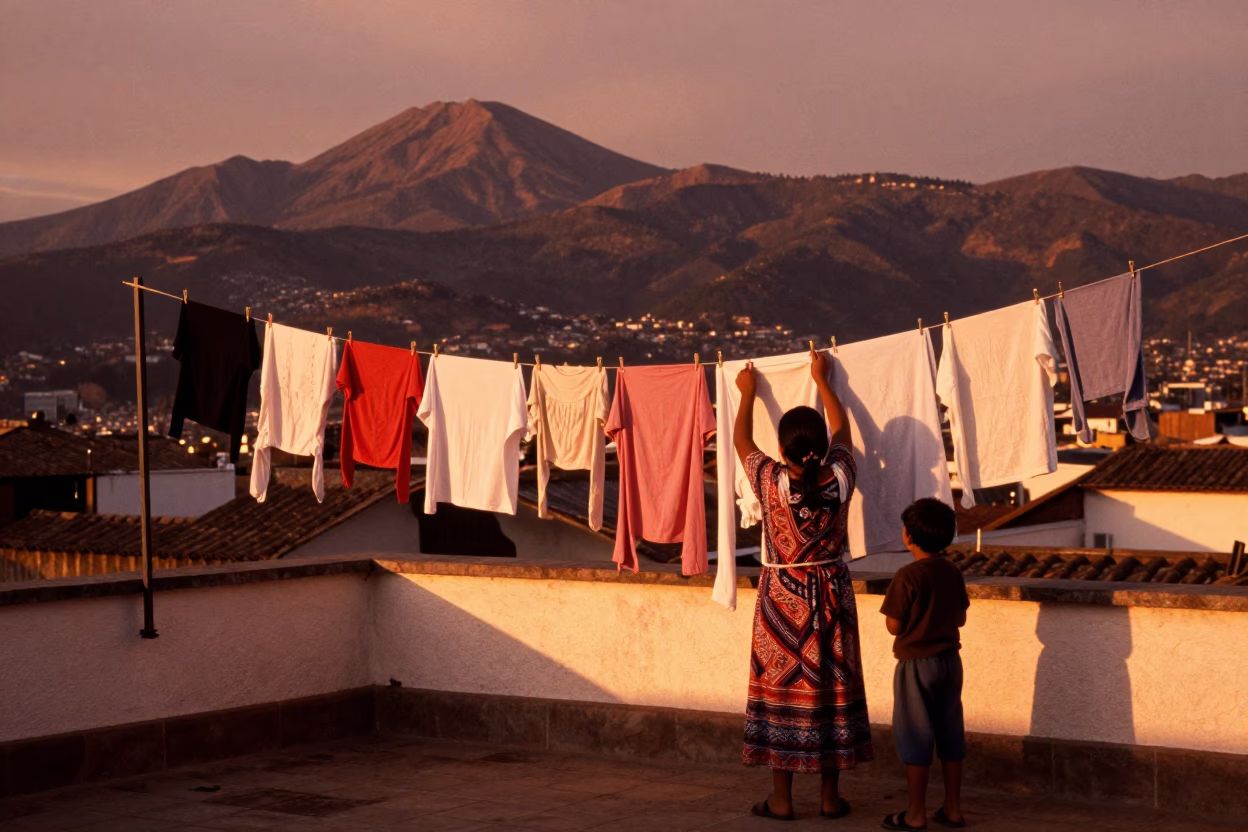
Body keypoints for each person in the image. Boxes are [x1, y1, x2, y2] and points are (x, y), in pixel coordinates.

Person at [734, 352, 873, 822]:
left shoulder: (770, 482)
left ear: (783, 450)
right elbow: (844, 432)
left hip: (782, 600)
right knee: (832, 692)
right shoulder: (839, 479)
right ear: (819, 448)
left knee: (781, 691)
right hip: (832, 594)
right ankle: (831, 799)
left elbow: (739, 439)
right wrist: (823, 380)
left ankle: (782, 800)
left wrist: (747, 393)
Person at [879, 498, 970, 830]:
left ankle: (915, 812)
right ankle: (953, 808)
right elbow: (960, 616)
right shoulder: (952, 571)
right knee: (950, 733)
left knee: (916, 735)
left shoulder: (907, 576)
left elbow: (894, 626)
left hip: (916, 665)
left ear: (908, 536)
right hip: (950, 661)